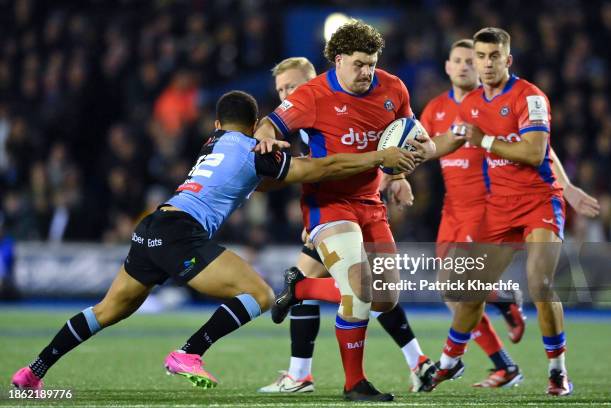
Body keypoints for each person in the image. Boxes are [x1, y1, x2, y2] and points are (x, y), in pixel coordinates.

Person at [11, 90, 417, 391]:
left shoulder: (214, 144)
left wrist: (275, 157)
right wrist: (377, 159)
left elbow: (257, 182)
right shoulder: (256, 151)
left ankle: (33, 372)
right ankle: (189, 352)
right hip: (181, 234)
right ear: (255, 123)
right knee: (258, 294)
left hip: (152, 226)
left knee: (107, 310)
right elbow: (321, 167)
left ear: (218, 125)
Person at [254, 21, 436, 402]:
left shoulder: (393, 88)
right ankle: (355, 384)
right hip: (328, 204)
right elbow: (268, 124)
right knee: (359, 292)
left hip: (371, 203)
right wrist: (267, 137)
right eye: (358, 64)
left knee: (386, 299)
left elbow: (417, 135)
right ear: (337, 60)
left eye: (371, 63)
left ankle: (300, 285)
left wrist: (417, 155)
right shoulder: (313, 95)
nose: (367, 72)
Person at [425, 27, 599, 396]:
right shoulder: (471, 103)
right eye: (480, 58)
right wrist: (400, 158)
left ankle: (557, 371)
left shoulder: (529, 96)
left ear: (508, 59)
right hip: (498, 206)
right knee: (468, 288)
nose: (486, 64)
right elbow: (450, 140)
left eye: (493, 57)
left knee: (539, 283)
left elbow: (536, 152)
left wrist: (485, 140)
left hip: (538, 199)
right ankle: (447, 363)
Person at [421, 38, 524, 388]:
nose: (465, 66)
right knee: (453, 295)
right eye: (459, 60)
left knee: (456, 286)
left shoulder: (492, 104)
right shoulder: (435, 108)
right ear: (448, 67)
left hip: (486, 207)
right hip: (452, 209)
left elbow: (531, 146)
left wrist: (564, 186)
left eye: (471, 60)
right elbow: (419, 147)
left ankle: (497, 307)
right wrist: (398, 177)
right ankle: (504, 361)